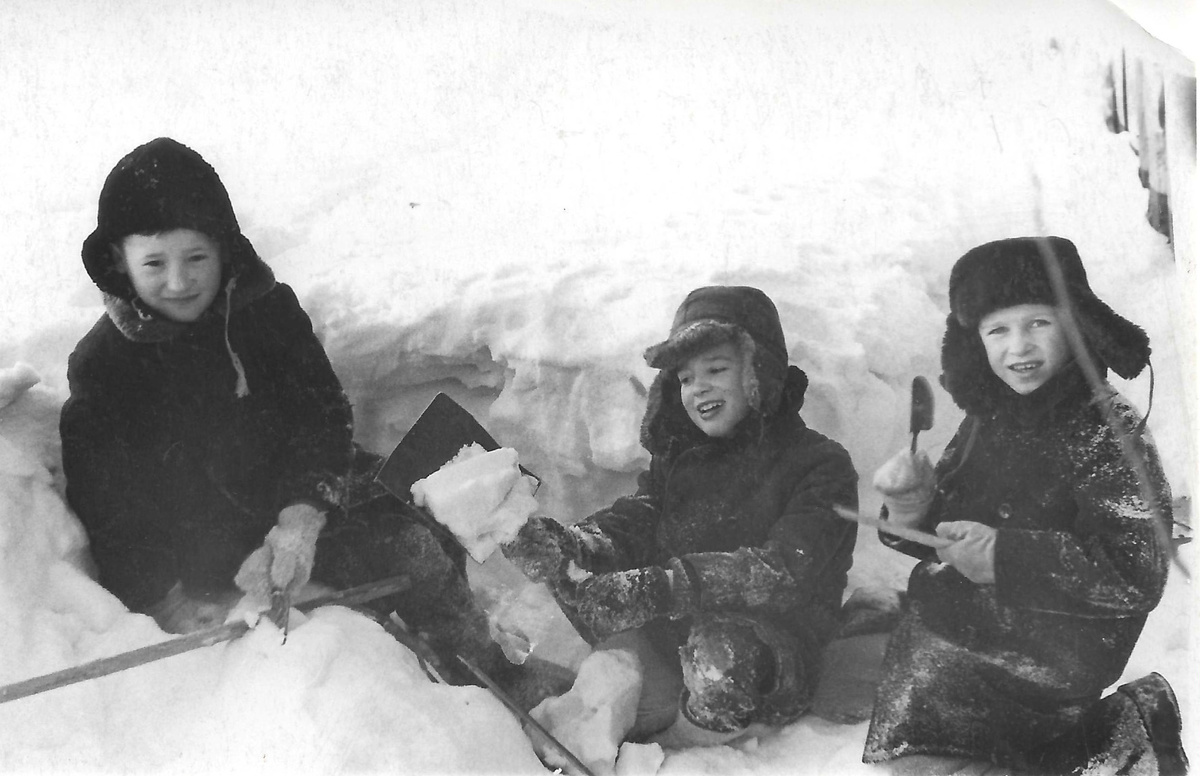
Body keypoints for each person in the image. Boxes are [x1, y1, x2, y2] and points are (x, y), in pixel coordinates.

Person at [59, 137, 538, 698]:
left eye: (196, 258)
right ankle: (487, 677)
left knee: (426, 504)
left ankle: (448, 641)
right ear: (120, 262)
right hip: (217, 545)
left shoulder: (267, 310)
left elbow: (321, 411)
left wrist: (301, 516)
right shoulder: (105, 369)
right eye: (154, 263)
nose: (179, 281)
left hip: (293, 495)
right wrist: (165, 598)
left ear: (223, 248)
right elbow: (110, 505)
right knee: (409, 549)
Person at [863, 237, 1188, 775]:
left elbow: (1137, 572)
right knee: (914, 735)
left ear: (1076, 324)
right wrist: (913, 507)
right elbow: (949, 534)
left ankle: (1119, 736)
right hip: (974, 627)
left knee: (928, 754)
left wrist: (1005, 557)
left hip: (1056, 647)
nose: (1019, 347)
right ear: (974, 342)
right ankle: (1098, 744)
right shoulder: (988, 418)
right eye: (998, 330)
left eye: (1039, 322)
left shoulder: (1107, 431)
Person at [503, 285, 859, 744]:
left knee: (720, 654)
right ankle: (602, 692)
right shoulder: (683, 455)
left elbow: (781, 572)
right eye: (686, 378)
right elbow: (642, 515)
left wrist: (662, 587)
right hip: (673, 633)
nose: (698, 387)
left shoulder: (820, 464)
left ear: (761, 371)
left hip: (769, 650)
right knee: (571, 570)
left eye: (716, 369)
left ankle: (685, 746)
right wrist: (572, 544)